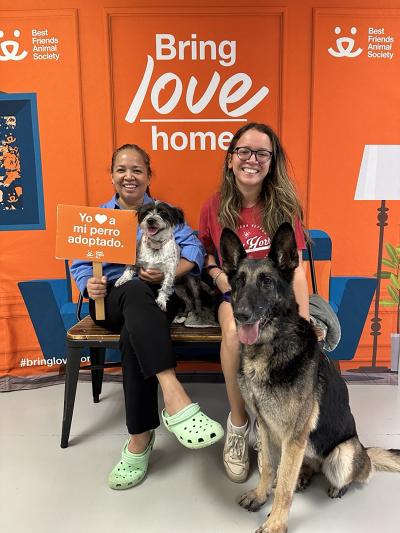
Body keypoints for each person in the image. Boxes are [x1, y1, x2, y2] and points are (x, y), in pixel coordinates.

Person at [70, 143, 224, 490]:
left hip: (157, 299)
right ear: (112, 175)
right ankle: (174, 395)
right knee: (133, 290)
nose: (129, 176)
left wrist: (173, 268)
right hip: (110, 299)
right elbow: (79, 264)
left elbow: (195, 251)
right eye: (122, 169)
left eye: (137, 169)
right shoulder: (97, 220)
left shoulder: (164, 213)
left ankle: (139, 442)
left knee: (134, 327)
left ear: (149, 176)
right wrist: (89, 283)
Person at [199, 123, 309, 483]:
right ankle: (238, 424)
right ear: (231, 159)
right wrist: (220, 280)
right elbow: (208, 257)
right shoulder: (213, 207)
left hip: (276, 298)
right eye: (244, 151)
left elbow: (297, 271)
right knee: (234, 332)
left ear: (271, 162)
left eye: (263, 153)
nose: (252, 159)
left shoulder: (284, 208)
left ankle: (272, 424)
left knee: (285, 339)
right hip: (234, 292)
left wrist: (304, 322)